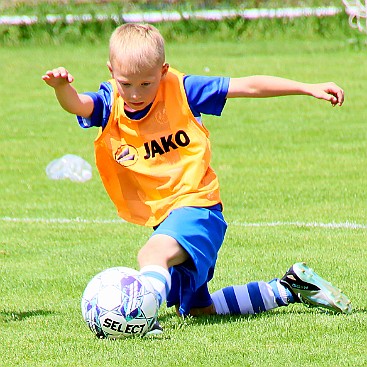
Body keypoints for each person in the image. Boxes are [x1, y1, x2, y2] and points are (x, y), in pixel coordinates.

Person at [42, 23, 351, 336]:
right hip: (165, 218)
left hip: (197, 206)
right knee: (198, 310)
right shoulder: (111, 102)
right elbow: (79, 105)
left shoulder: (184, 89)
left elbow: (247, 86)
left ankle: (141, 319)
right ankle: (289, 288)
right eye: (127, 83)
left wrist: (306, 87)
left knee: (151, 255)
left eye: (146, 84)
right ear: (111, 71)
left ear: (163, 71)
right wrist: (61, 89)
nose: (136, 94)